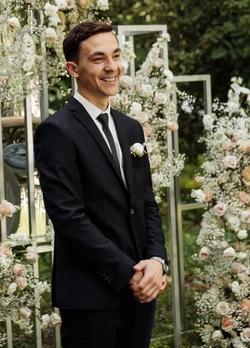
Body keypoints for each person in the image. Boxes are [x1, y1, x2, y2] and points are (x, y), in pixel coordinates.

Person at [34, 21, 169, 348]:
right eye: (98, 59)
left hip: (141, 292)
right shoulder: (57, 131)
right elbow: (69, 219)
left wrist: (156, 261)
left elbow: (146, 203)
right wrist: (129, 273)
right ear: (73, 68)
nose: (112, 67)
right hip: (90, 296)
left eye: (116, 56)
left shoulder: (131, 129)